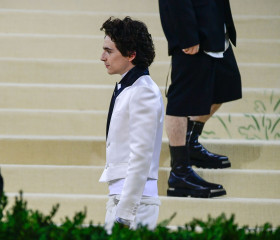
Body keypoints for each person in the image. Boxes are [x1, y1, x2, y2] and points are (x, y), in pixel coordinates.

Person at [158, 0, 242, 198]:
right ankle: (180, 172)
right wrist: (187, 34)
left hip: (214, 24)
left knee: (225, 88)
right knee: (180, 100)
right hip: (193, 27)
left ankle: (190, 144)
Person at [99, 17, 164, 232]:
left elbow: (141, 155)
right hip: (123, 198)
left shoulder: (143, 91)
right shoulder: (131, 88)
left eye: (109, 51)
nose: (102, 57)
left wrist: (125, 215)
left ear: (131, 54)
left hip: (136, 204)